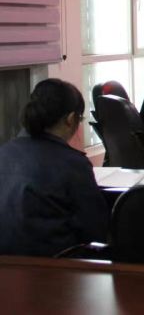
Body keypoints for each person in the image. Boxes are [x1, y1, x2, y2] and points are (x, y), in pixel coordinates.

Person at [0, 79, 108, 256]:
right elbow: (95, 229)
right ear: (70, 119)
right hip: (54, 265)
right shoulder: (73, 163)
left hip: (6, 265)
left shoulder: (3, 153)